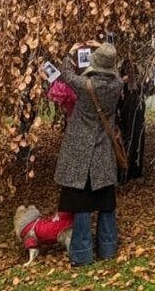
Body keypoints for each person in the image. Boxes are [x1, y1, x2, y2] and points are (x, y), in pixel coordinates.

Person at [55, 41, 125, 265]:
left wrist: (71, 51)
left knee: (81, 201)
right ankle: (108, 248)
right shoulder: (117, 86)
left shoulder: (84, 85)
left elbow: (65, 73)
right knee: (105, 200)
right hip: (103, 148)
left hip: (80, 149)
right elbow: (117, 68)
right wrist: (106, 48)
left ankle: (82, 253)